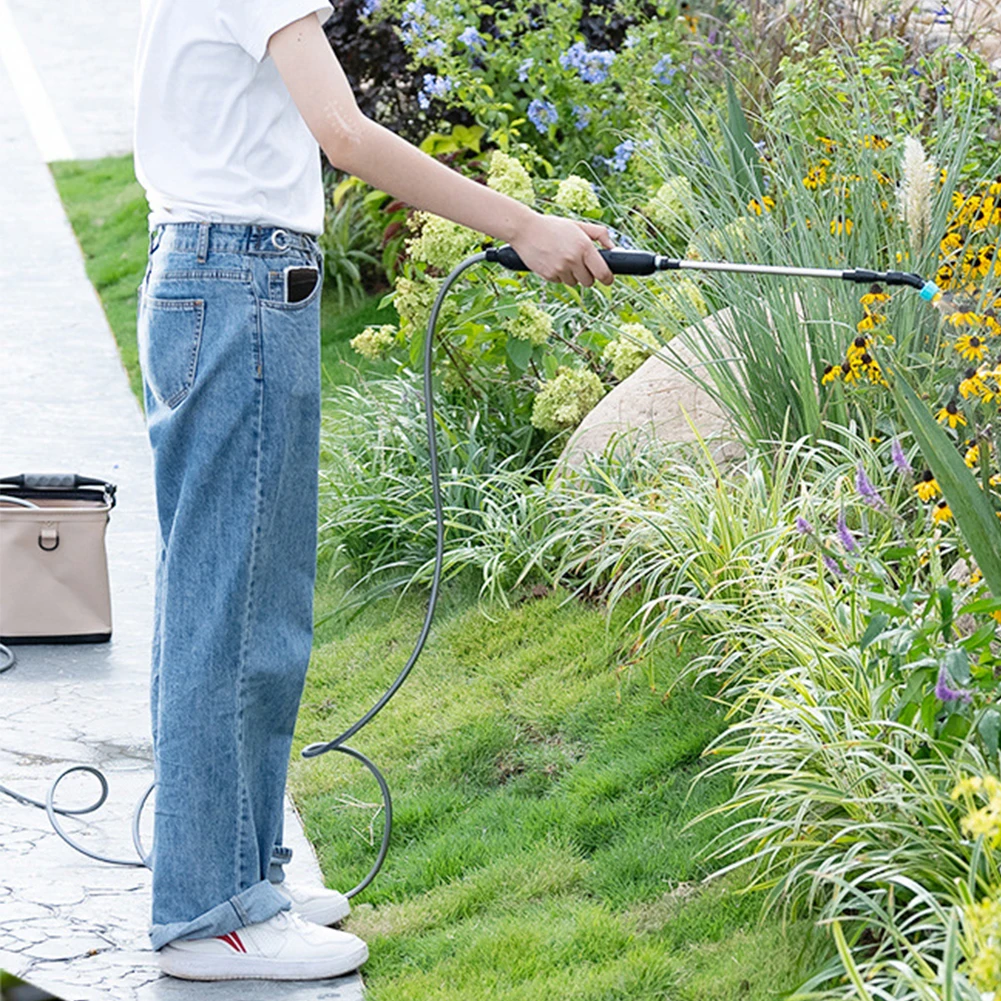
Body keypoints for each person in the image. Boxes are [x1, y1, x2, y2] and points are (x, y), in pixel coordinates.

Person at [133, 0, 616, 983]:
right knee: (231, 610)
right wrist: (522, 224)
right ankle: (207, 912)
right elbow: (342, 133)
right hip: (238, 283)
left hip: (225, 276)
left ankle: (242, 876)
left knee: (249, 605)